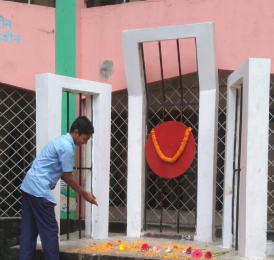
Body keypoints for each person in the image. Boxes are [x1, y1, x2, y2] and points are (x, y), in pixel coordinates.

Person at [19, 116, 97, 260]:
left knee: (28, 233)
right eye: (85, 139)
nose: (84, 143)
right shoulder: (67, 147)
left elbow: (62, 174)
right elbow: (67, 176)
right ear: (76, 132)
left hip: (28, 186)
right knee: (50, 232)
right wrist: (84, 193)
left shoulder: (59, 141)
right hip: (39, 190)